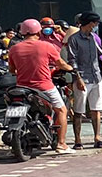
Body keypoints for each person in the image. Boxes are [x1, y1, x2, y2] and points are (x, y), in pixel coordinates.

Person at [6, 18, 72, 153]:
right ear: (38, 31)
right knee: (62, 110)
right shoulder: (46, 46)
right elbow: (60, 64)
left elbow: (12, 70)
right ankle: (61, 143)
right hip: (44, 86)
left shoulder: (14, 49)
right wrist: (70, 68)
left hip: (22, 88)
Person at [63, 12, 102, 149]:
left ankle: (97, 138)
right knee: (79, 110)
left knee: (96, 109)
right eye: (94, 23)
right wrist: (78, 78)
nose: (95, 26)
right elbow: (72, 60)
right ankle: (78, 140)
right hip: (82, 78)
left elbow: (100, 54)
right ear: (89, 23)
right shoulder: (74, 39)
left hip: (96, 76)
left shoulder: (94, 38)